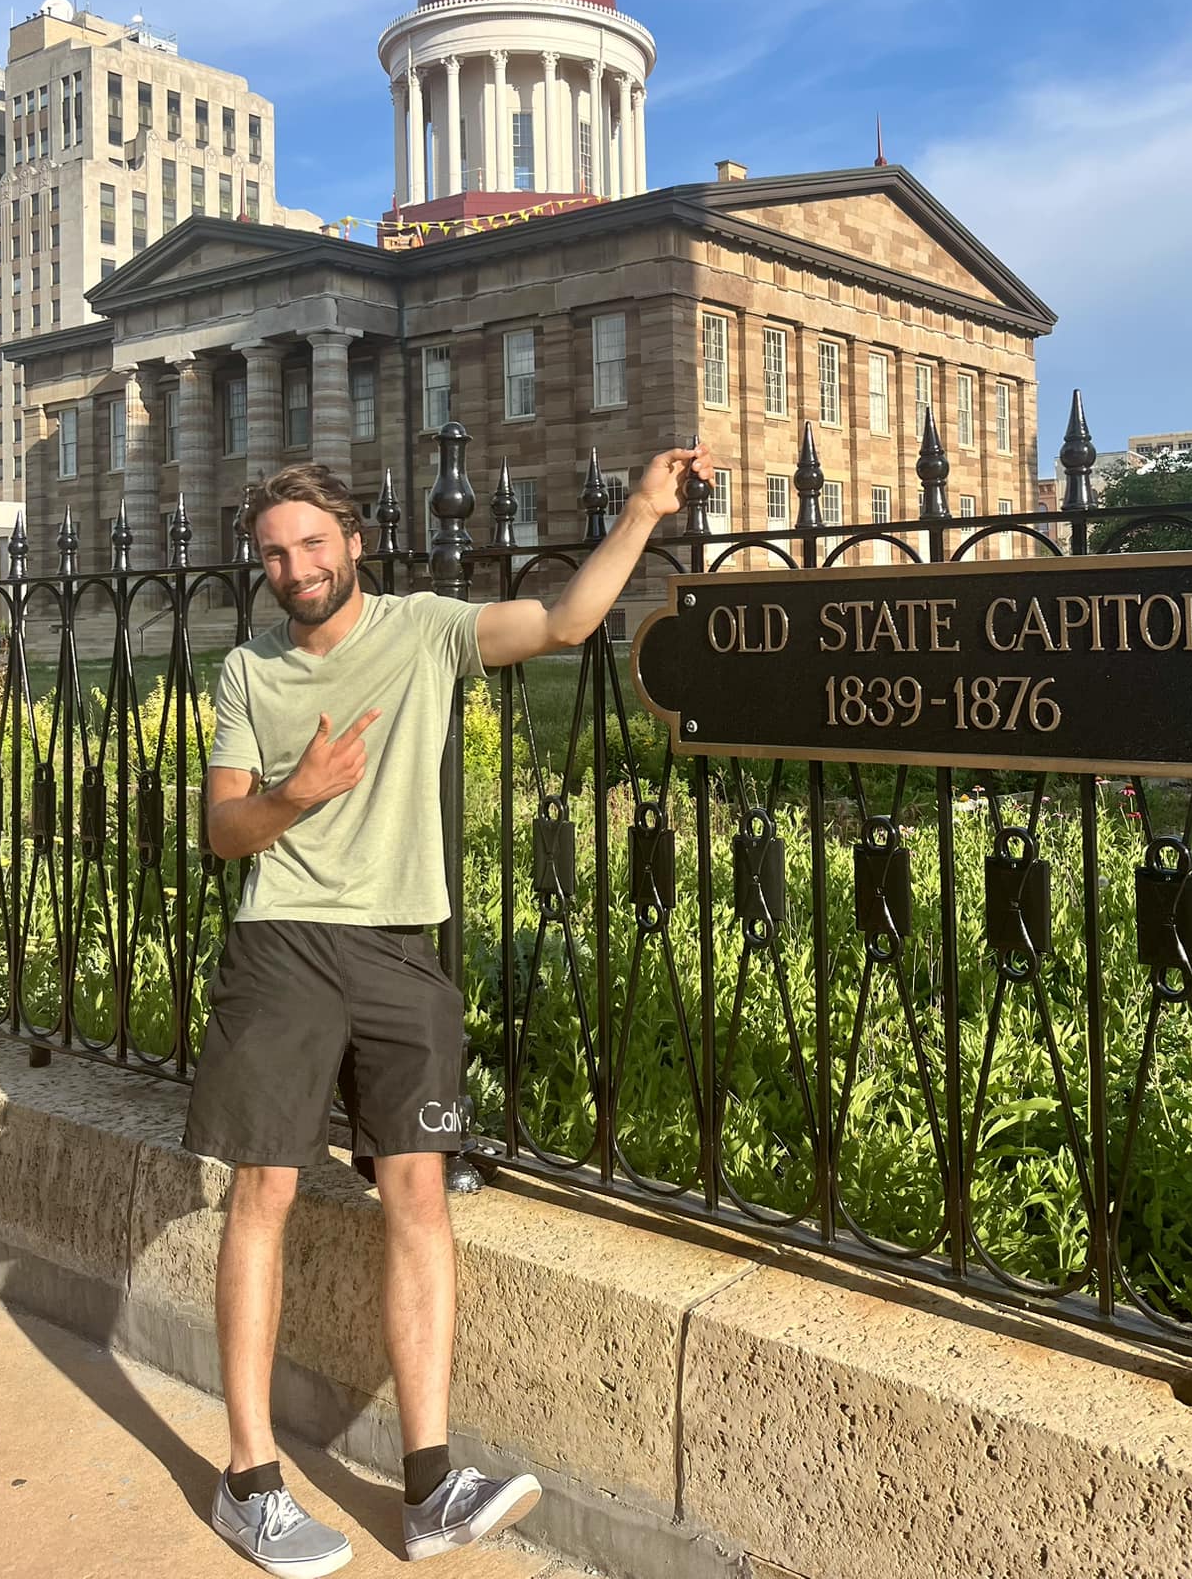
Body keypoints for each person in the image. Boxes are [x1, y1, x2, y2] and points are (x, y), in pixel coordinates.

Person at [184, 442, 713, 1573]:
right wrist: (296, 792)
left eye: (312, 543)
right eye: (275, 551)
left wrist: (642, 511)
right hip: (280, 944)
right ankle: (250, 1475)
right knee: (263, 1187)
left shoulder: (422, 629)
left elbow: (568, 622)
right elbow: (223, 830)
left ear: (353, 543)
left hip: (399, 948)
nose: (295, 566)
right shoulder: (248, 673)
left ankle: (429, 1483)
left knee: (418, 1189)